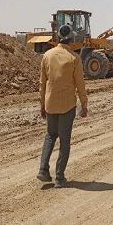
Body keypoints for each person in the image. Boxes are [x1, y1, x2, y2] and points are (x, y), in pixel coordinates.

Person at [37, 24, 88, 188]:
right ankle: (59, 178)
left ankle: (43, 170)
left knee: (50, 136)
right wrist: (84, 104)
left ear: (58, 37)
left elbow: (42, 84)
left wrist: (42, 105)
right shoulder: (74, 58)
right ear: (72, 39)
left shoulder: (47, 56)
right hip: (67, 105)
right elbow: (80, 84)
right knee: (64, 141)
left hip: (50, 103)